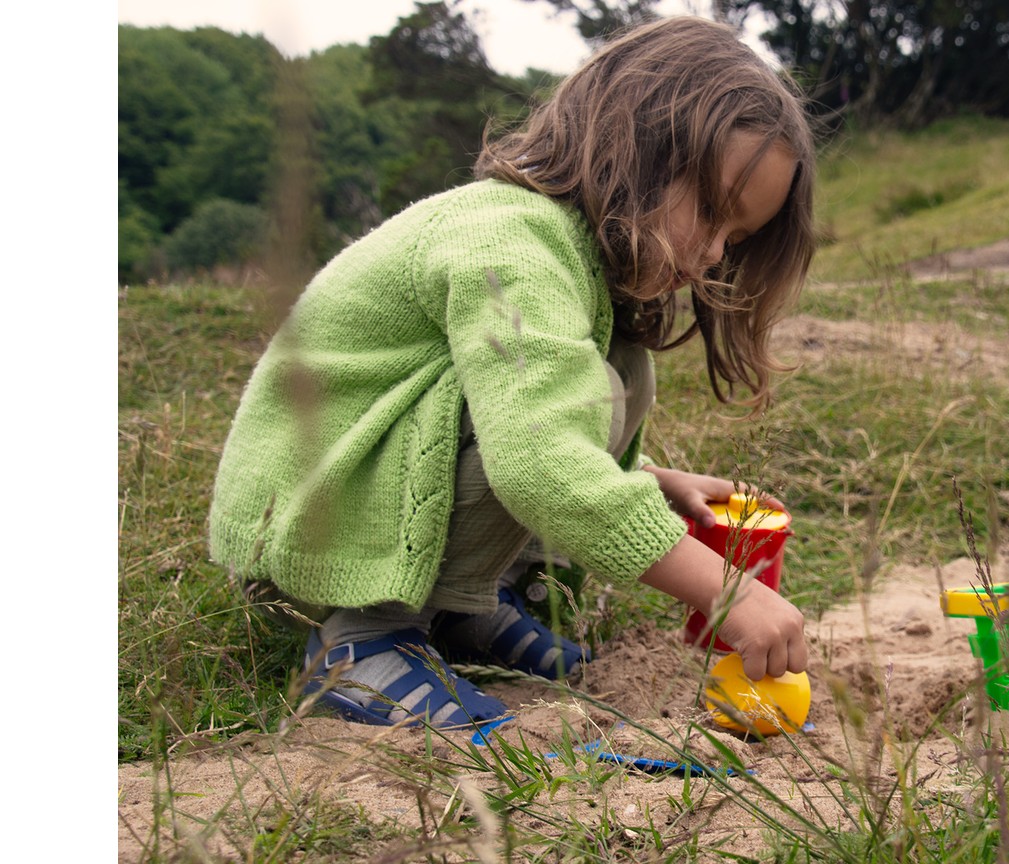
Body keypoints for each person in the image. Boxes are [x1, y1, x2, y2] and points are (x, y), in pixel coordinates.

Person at [208, 16, 816, 729]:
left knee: (614, 367)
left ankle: (460, 613)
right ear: (636, 147)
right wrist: (728, 591)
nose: (714, 253)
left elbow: (545, 418)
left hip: (353, 499)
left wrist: (644, 476)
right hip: (307, 530)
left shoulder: (570, 262)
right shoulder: (513, 241)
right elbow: (536, 457)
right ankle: (361, 639)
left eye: (735, 239)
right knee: (545, 425)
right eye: (712, 212)